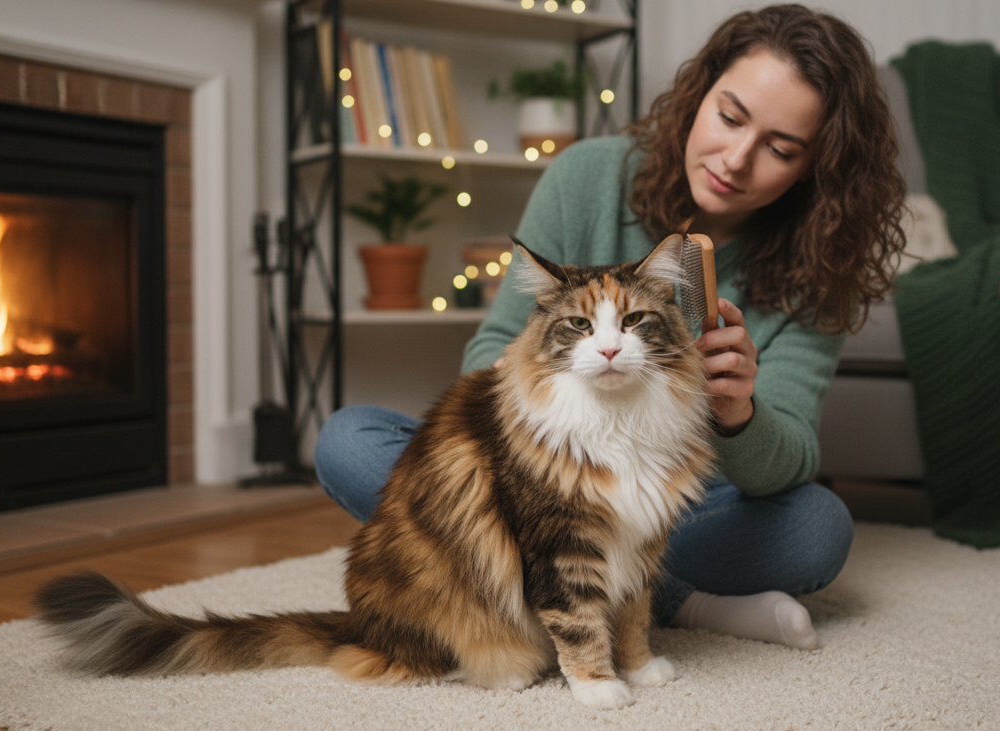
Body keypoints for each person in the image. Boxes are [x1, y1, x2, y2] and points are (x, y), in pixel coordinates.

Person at [316, 4, 906, 649]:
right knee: (349, 439)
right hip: (553, 485)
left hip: (677, 505)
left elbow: (788, 461)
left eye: (780, 148)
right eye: (730, 117)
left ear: (814, 168)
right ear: (698, 92)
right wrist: (567, 430)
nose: (736, 159)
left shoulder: (823, 265)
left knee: (817, 528)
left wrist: (737, 410)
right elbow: (490, 350)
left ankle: (613, 594)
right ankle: (682, 603)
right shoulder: (588, 174)